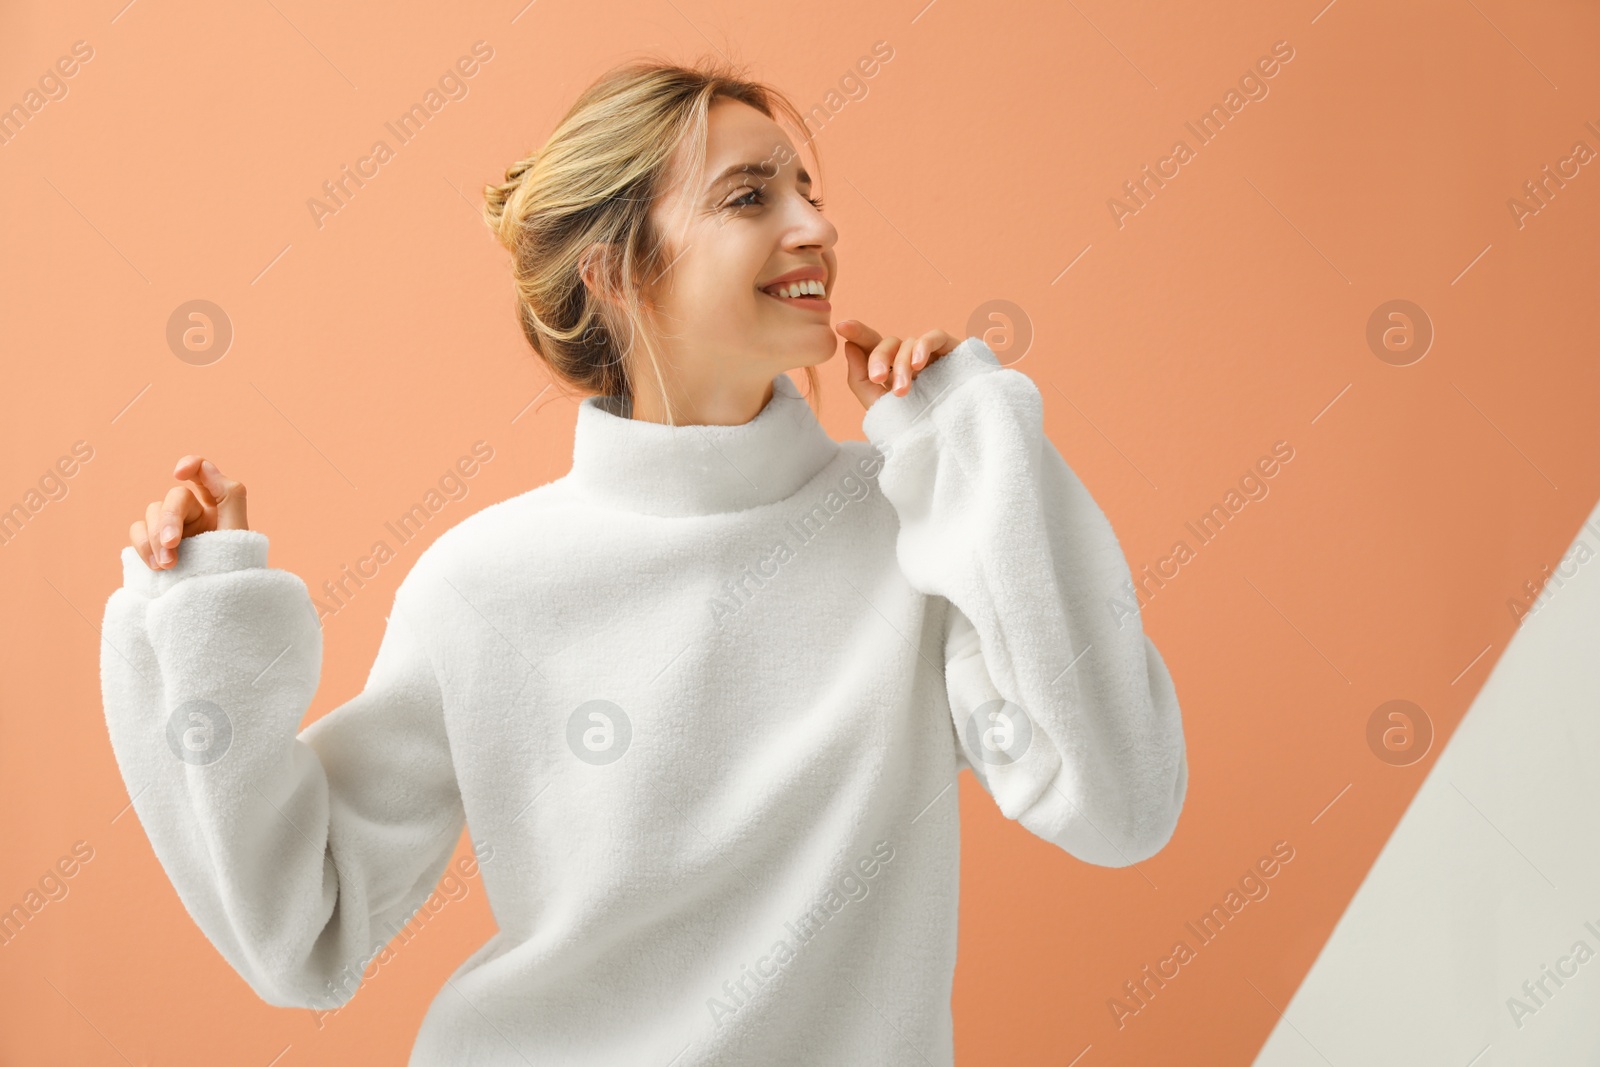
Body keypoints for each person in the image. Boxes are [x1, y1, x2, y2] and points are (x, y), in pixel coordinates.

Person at [100, 56, 1188, 1066]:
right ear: (618, 267)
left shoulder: (915, 525)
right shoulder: (481, 583)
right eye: (750, 196)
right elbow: (304, 932)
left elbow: (1118, 801)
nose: (817, 223)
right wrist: (203, 618)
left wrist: (979, 450)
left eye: (806, 187)